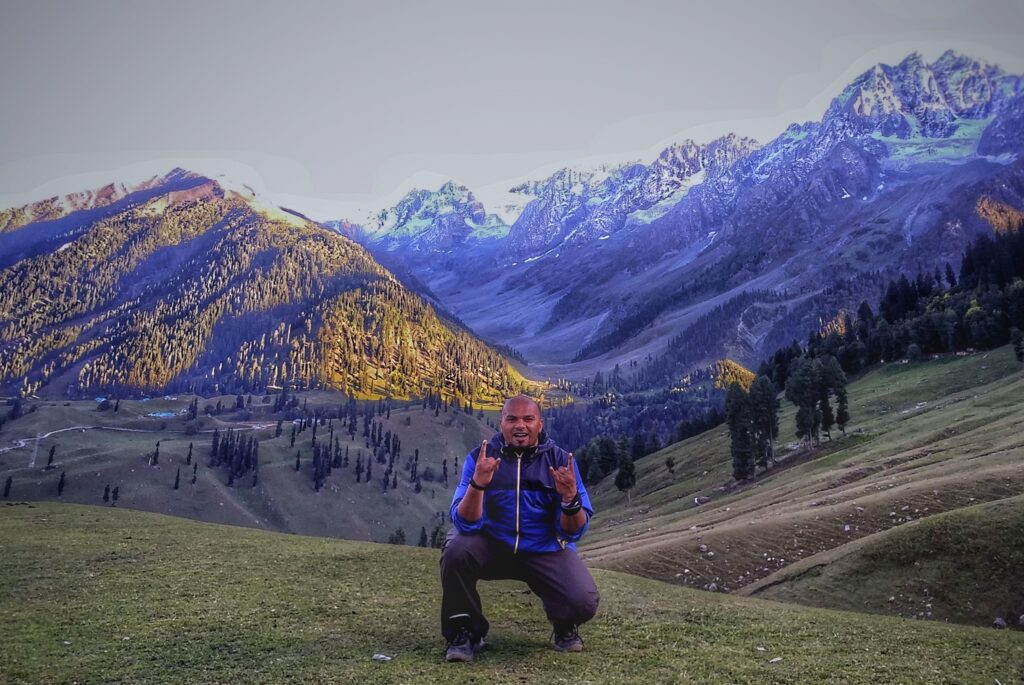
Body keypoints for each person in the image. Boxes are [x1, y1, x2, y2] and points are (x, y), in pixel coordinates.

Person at [439, 394, 599, 662]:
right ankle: (465, 631)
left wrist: (570, 498)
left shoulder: (560, 461)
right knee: (456, 549)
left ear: (540, 424)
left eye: (528, 419)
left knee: (582, 600)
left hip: (542, 549)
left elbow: (573, 532)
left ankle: (564, 625)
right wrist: (478, 484)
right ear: (501, 422)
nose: (520, 425)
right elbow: (464, 521)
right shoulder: (480, 458)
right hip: (491, 544)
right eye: (512, 419)